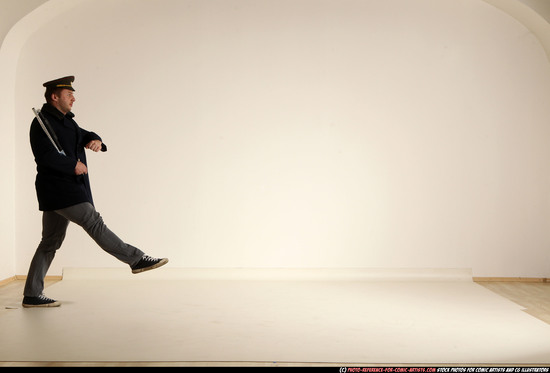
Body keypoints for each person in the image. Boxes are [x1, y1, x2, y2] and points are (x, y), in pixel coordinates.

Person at [22, 76, 168, 308]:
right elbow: (45, 157)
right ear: (54, 96)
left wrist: (95, 140)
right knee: (94, 222)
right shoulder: (41, 123)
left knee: (50, 241)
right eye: (69, 95)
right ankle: (136, 259)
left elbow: (83, 134)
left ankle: (32, 294)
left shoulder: (67, 121)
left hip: (67, 190)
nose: (73, 98)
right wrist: (72, 165)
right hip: (60, 190)